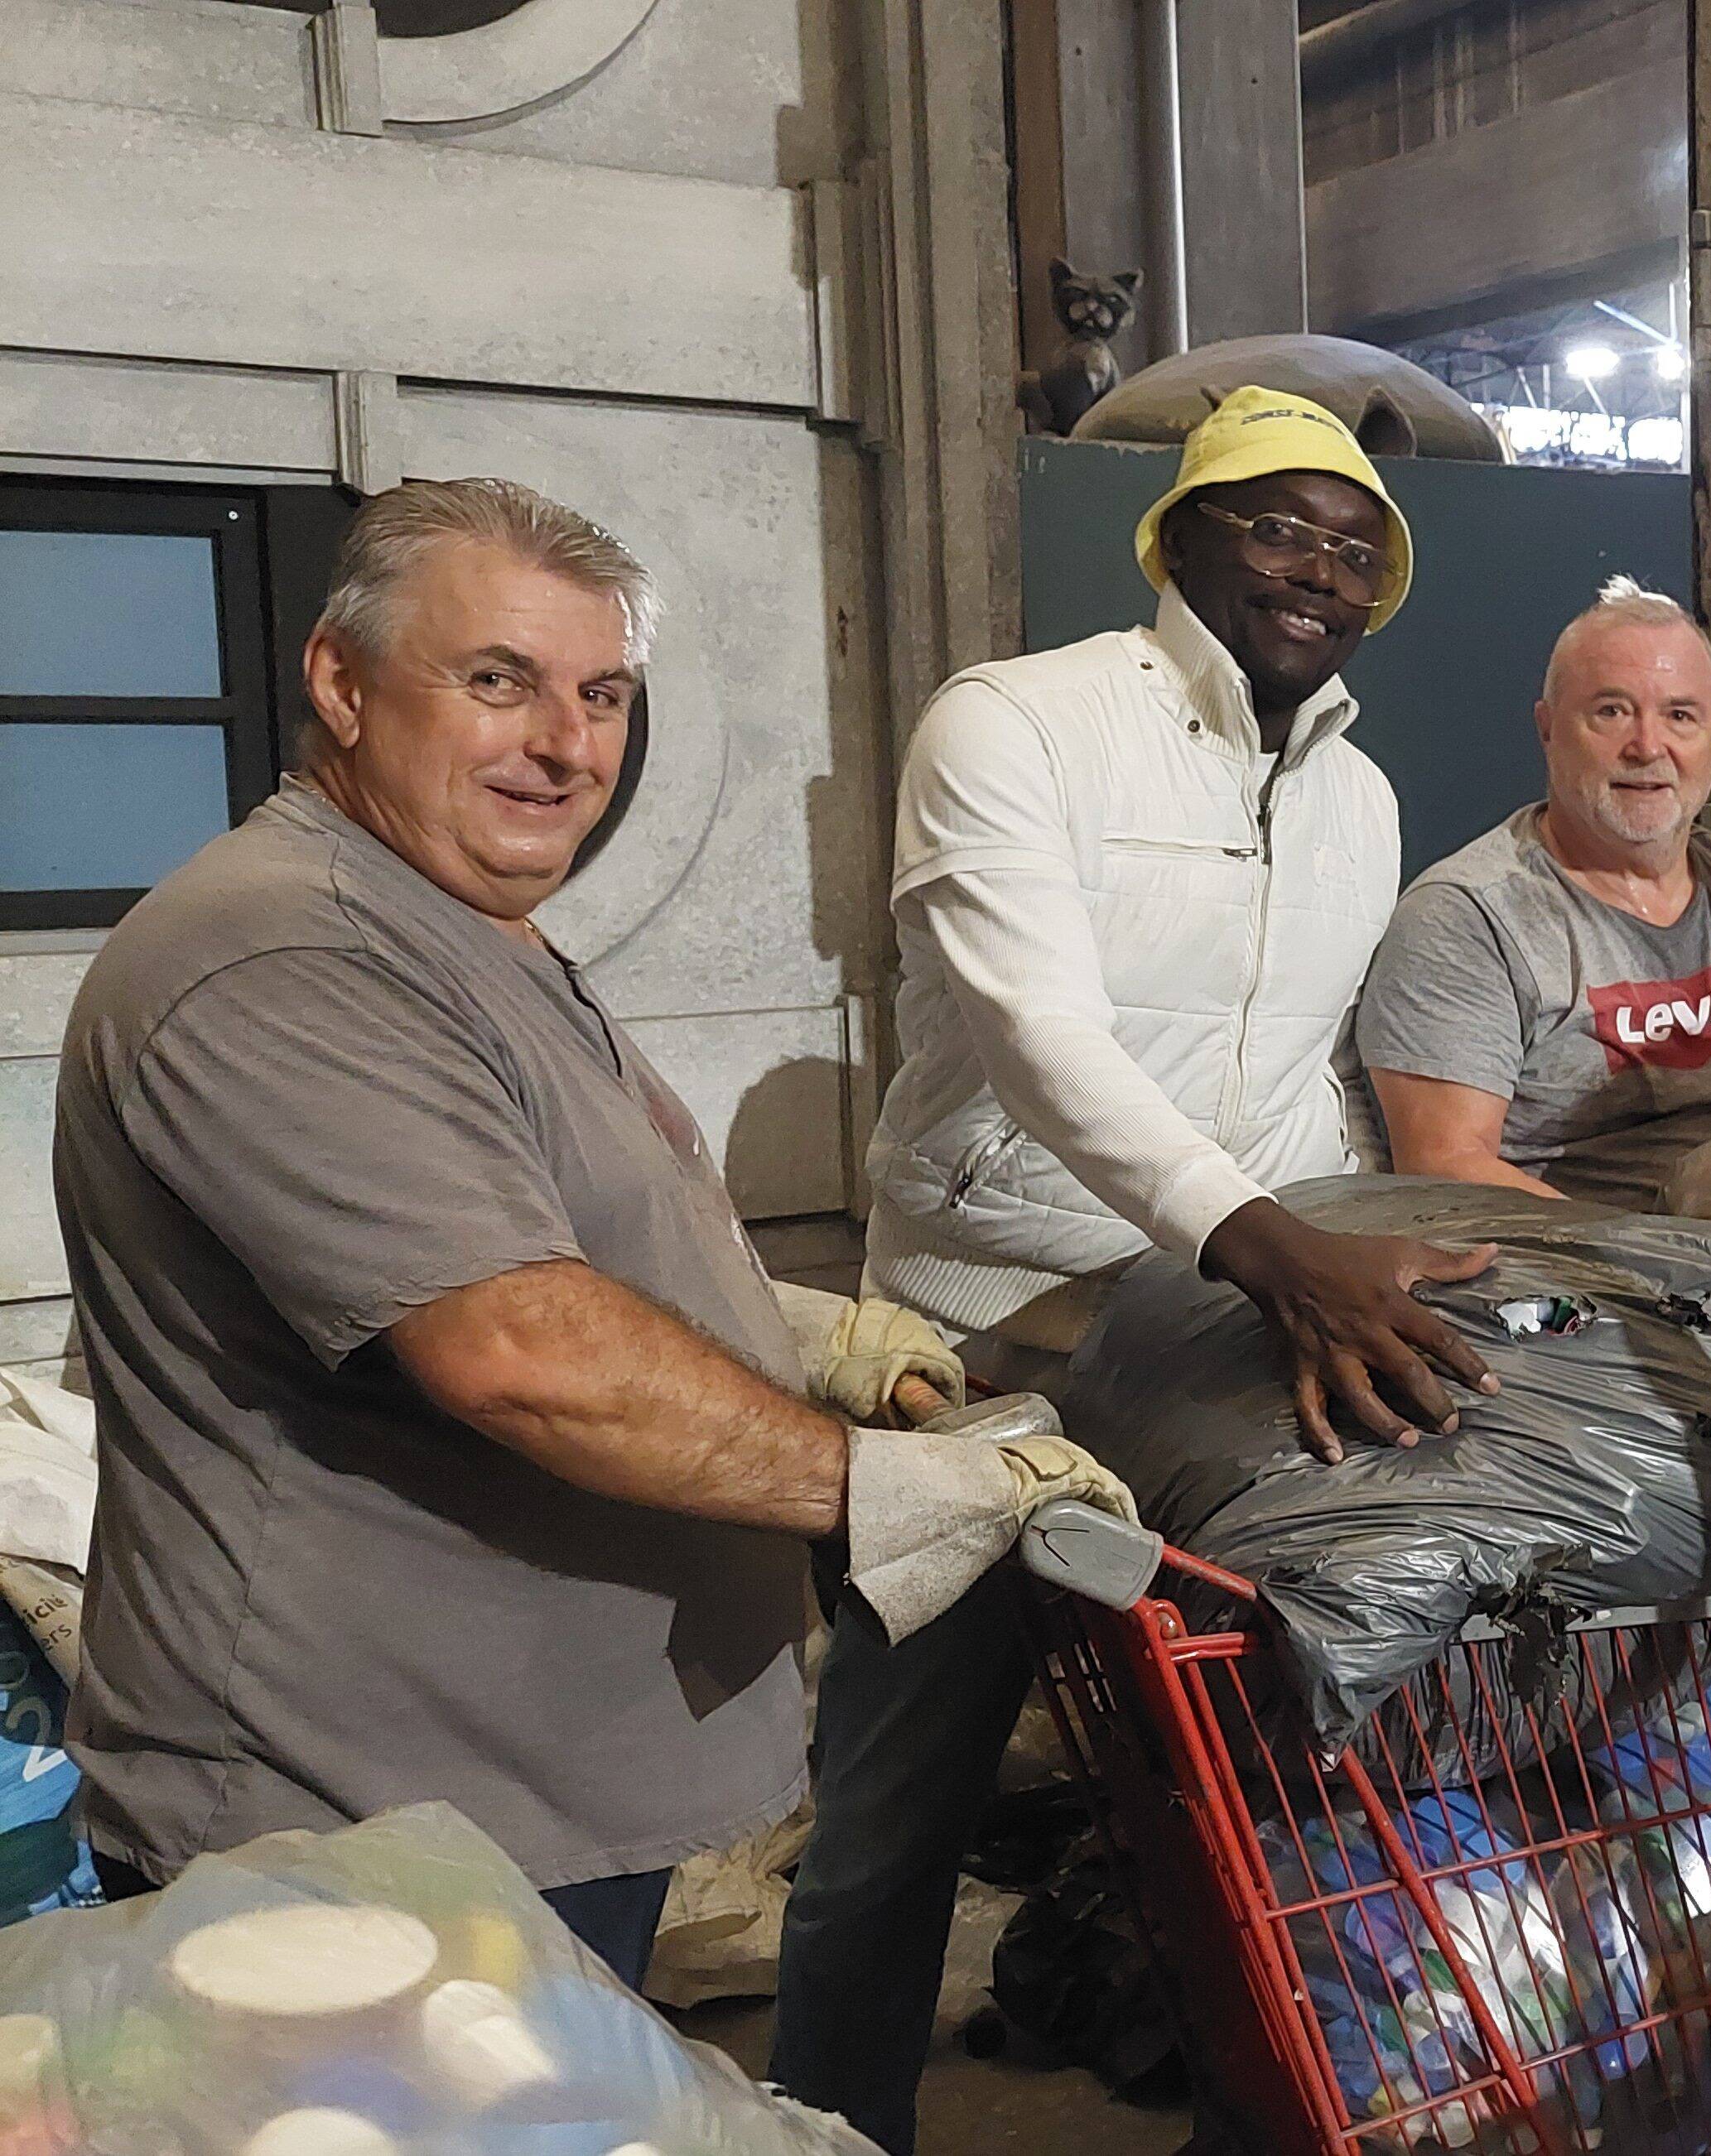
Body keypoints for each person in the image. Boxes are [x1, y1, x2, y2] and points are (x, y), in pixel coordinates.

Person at [49, 479, 1121, 1989]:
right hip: (363, 1833)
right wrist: (890, 1488)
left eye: (602, 692)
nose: (566, 745)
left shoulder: (463, 919)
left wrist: (807, 1336)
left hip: (517, 1806)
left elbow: (555, 1237)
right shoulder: (284, 953)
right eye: (498, 681)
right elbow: (518, 1351)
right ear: (342, 684)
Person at [771, 387, 1499, 2152]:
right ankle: (824, 2127)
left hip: (1202, 1351)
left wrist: (1367, 1241)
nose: (1316, 568)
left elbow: (1304, 1073)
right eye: (1273, 524)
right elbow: (1038, 1035)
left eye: (1353, 544)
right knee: (893, 1811)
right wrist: (1275, 1252)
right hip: (982, 1342)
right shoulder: (1013, 722)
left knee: (1230, 1813)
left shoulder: (1361, 794)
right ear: (1175, 539)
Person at [1353, 578, 1711, 1210]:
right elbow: (1446, 1169)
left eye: (1680, 716)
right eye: (1612, 711)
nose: (1648, 747)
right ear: (1547, 728)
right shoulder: (1468, 918)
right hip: (1611, 1272)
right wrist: (1684, 1264)